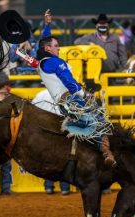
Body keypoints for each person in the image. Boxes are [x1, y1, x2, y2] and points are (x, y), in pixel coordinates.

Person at [35, 36, 116, 167]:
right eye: (56, 45)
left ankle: (103, 152)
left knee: (95, 122)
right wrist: (84, 94)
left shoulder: (42, 64)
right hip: (72, 100)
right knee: (99, 121)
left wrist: (47, 26)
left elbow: (41, 45)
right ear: (47, 48)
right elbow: (68, 81)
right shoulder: (55, 62)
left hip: (63, 104)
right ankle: (106, 153)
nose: (59, 48)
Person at [32, 89, 71, 195]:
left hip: (45, 130)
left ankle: (49, 186)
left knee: (47, 159)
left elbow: (32, 110)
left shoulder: (41, 94)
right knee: (64, 157)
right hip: (61, 128)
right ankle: (65, 188)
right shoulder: (65, 93)